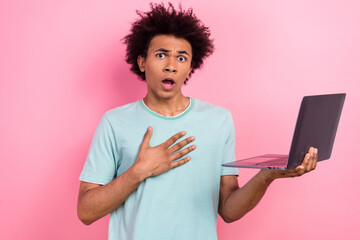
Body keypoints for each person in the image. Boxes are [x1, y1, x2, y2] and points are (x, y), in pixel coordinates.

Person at [77, 3, 317, 240]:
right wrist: (138, 172)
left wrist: (267, 176)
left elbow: (229, 210)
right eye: (161, 55)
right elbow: (86, 212)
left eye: (181, 58)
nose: (171, 66)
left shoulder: (218, 120)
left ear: (191, 66)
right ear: (142, 62)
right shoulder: (114, 122)